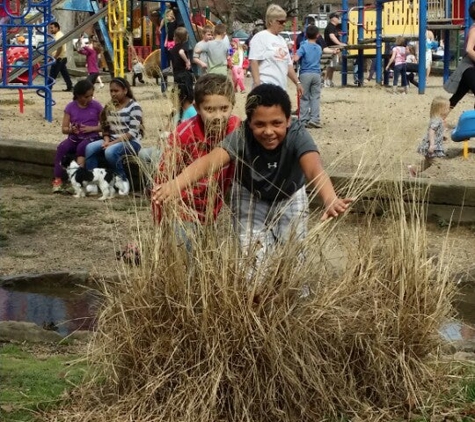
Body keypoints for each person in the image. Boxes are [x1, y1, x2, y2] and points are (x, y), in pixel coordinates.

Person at [152, 83, 352, 259]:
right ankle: (255, 298)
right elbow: (209, 162)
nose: (268, 131)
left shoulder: (297, 134)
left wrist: (330, 199)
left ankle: (295, 298)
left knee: (294, 254)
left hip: (289, 195)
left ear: (288, 121)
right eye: (259, 124)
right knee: (253, 259)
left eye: (276, 123)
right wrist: (175, 185)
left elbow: (314, 168)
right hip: (250, 194)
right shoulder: (241, 135)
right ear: (249, 123)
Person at [152, 73, 241, 224]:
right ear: (197, 108)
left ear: (233, 104)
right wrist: (161, 227)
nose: (218, 116)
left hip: (212, 207)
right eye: (210, 109)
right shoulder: (182, 136)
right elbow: (162, 182)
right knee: (184, 242)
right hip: (183, 211)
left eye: (224, 108)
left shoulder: (236, 128)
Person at [85, 77, 143, 195]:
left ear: (125, 91)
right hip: (111, 140)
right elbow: (106, 128)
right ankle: (93, 182)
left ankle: (123, 181)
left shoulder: (134, 106)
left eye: (116, 91)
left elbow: (132, 133)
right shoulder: (110, 106)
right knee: (90, 148)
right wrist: (106, 140)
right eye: (111, 91)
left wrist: (111, 143)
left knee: (110, 152)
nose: (113, 94)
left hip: (130, 142)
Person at [52, 80, 103, 193]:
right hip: (75, 137)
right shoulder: (70, 107)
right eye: (86, 96)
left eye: (91, 96)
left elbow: (105, 126)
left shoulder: (97, 106)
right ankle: (57, 179)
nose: (89, 99)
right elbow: (64, 129)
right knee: (62, 148)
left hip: (91, 137)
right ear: (78, 96)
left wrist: (92, 128)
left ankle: (77, 179)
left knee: (82, 147)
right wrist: (71, 129)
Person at [248, 4, 303, 95]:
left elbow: (288, 65)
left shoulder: (282, 40)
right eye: (280, 22)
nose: (284, 24)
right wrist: (257, 85)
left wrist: (297, 83)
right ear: (271, 22)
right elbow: (254, 61)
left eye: (284, 21)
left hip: (281, 89)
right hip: (265, 87)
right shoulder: (260, 37)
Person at [293, 25, 338, 129]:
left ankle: (303, 119)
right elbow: (324, 51)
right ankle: (315, 119)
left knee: (304, 97)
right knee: (315, 97)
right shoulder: (318, 48)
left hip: (305, 74)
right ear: (317, 35)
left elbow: (296, 58)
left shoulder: (303, 46)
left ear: (305, 35)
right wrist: (334, 51)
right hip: (316, 74)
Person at [408, 96, 449, 177]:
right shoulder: (437, 120)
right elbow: (431, 132)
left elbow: (436, 132)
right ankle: (435, 177)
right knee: (438, 163)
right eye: (447, 108)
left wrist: (442, 136)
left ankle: (413, 169)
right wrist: (432, 144)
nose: (448, 110)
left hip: (430, 146)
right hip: (430, 146)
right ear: (441, 109)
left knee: (427, 163)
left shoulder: (437, 119)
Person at [444, 1, 475, 110]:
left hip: (471, 68)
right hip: (468, 68)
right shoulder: (474, 29)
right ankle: (436, 121)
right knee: (457, 97)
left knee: (456, 97)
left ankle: (438, 120)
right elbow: (469, 49)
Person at [169, 27, 194, 114]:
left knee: (179, 95)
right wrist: (187, 62)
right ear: (186, 37)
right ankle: (188, 112)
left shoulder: (172, 49)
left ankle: (179, 112)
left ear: (175, 37)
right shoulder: (183, 47)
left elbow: (172, 63)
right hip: (184, 74)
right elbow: (181, 52)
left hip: (176, 74)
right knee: (188, 95)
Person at [48, 21, 73, 92]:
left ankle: (48, 88)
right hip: (62, 57)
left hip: (59, 58)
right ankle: (70, 86)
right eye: (50, 28)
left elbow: (60, 47)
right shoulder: (58, 35)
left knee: (52, 73)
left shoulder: (58, 35)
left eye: (52, 28)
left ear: (57, 28)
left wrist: (55, 57)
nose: (51, 30)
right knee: (65, 74)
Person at [323, 12, 346, 88]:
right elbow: (332, 36)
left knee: (333, 66)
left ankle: (329, 81)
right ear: (333, 18)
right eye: (337, 17)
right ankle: (325, 81)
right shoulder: (330, 27)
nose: (338, 18)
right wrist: (340, 43)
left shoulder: (334, 27)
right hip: (330, 48)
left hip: (334, 49)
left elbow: (334, 35)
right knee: (329, 66)